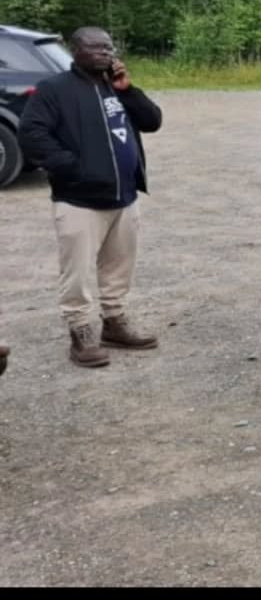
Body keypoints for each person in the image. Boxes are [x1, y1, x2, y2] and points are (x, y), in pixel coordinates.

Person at [17, 27, 163, 367]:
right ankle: (80, 330)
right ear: (76, 50)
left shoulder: (115, 87)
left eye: (109, 48)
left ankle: (114, 321)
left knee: (119, 266)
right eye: (95, 47)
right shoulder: (55, 90)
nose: (105, 53)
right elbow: (31, 133)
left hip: (124, 197)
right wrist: (71, 167)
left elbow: (152, 121)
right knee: (78, 271)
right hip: (78, 200)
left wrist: (129, 91)